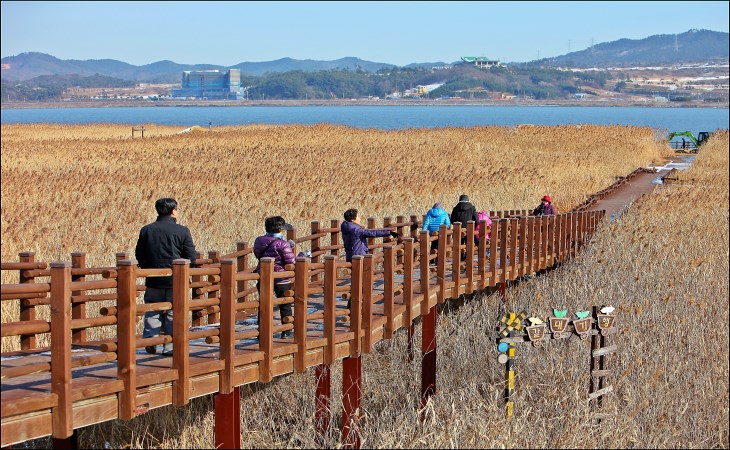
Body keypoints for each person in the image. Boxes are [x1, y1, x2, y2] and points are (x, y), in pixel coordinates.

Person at [136, 197, 198, 356]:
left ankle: (151, 340)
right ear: (173, 211)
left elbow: (139, 254)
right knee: (173, 312)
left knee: (152, 309)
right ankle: (170, 347)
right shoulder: (182, 231)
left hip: (153, 278)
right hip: (175, 280)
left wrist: (147, 267)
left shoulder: (147, 230)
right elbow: (191, 256)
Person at [341, 208, 398, 321]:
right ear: (353, 219)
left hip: (351, 255)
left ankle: (353, 306)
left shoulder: (345, 226)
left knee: (358, 281)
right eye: (358, 216)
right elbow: (372, 233)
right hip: (359, 257)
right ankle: (355, 307)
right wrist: (389, 232)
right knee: (361, 283)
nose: (360, 217)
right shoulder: (356, 230)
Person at [253, 216, 296, 339]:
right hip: (281, 278)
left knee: (264, 304)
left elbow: (257, 254)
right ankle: (286, 331)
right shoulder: (282, 243)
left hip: (263, 276)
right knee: (285, 304)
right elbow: (290, 261)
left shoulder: (259, 240)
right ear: (279, 229)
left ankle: (262, 332)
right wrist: (292, 249)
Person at [451, 194, 478, 260]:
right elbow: (476, 219)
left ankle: (460, 260)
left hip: (458, 230)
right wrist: (474, 227)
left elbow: (452, 219)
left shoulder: (455, 208)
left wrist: (455, 225)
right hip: (469, 229)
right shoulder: (472, 208)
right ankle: (467, 260)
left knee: (459, 245)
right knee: (469, 245)